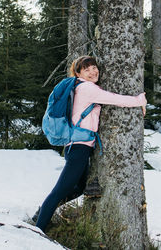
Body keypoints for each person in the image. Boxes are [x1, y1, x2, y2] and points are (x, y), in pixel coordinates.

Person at [35, 56, 147, 232]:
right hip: (79, 147)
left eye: (94, 67)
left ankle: (43, 212)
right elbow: (114, 99)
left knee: (79, 187)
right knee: (60, 191)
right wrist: (139, 100)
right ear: (78, 73)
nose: (93, 72)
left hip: (79, 147)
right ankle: (38, 228)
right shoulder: (86, 88)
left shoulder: (81, 87)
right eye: (86, 69)